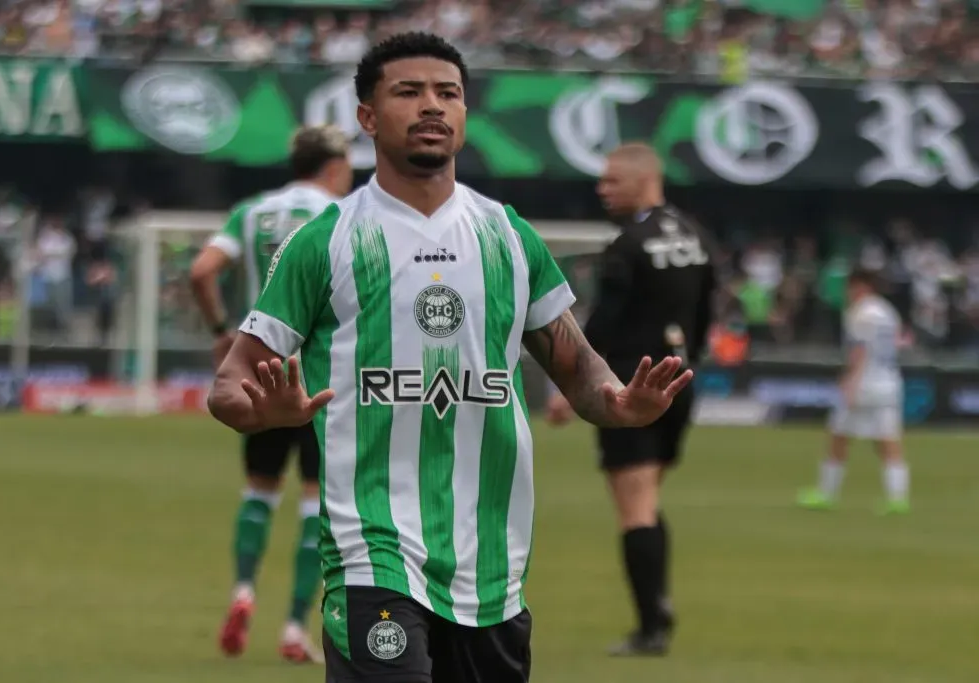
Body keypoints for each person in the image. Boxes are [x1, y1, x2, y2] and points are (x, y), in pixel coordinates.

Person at [206, 32, 693, 683]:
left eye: (448, 93)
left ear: (465, 113)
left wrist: (617, 403)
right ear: (368, 118)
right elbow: (228, 384)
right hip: (370, 550)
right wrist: (262, 409)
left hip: (490, 561)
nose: (432, 106)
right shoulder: (323, 243)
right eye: (409, 92)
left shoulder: (510, 237)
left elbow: (577, 367)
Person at [189, 124, 354, 663]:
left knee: (259, 489)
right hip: (319, 374)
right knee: (316, 500)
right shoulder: (345, 212)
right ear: (334, 167)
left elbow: (202, 270)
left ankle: (242, 591)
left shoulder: (254, 210)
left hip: (258, 367)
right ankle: (293, 628)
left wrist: (221, 332)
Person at [546, 143, 717, 657]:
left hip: (630, 389)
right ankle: (658, 605)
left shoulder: (628, 245)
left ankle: (651, 627)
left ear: (645, 180)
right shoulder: (698, 237)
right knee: (648, 499)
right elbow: (706, 316)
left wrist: (569, 385)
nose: (603, 189)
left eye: (612, 180)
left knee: (634, 507)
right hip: (679, 383)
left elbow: (603, 323)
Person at [797, 266, 910, 515]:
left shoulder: (860, 313)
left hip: (864, 384)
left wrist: (850, 381)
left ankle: (826, 494)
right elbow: (898, 343)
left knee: (839, 435)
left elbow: (859, 350)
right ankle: (898, 499)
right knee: (888, 440)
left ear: (861, 286)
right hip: (889, 381)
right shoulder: (887, 311)